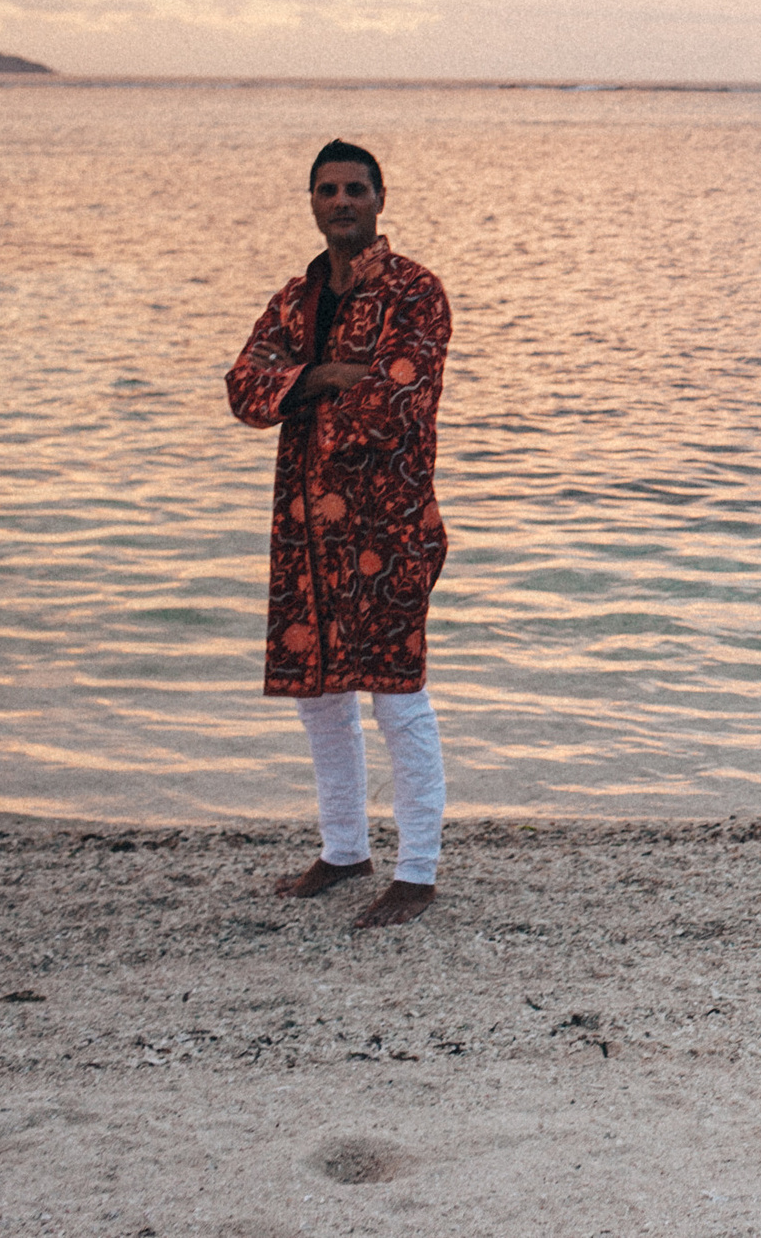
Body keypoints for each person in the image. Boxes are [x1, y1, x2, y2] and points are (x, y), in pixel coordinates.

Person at [227, 140, 452, 930]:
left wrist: (303, 392)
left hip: (388, 526)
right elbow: (243, 388)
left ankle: (417, 870)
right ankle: (344, 849)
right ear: (313, 202)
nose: (342, 200)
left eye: (356, 187)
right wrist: (321, 377)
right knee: (319, 697)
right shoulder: (296, 298)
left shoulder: (416, 293)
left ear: (381, 198)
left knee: (397, 694)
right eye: (328, 189)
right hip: (303, 531)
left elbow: (399, 400)